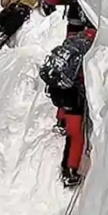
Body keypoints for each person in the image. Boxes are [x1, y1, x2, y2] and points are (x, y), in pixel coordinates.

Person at [40, 27, 96, 188]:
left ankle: (60, 121)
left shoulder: (75, 40)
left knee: (71, 128)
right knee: (76, 134)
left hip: (59, 90)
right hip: (73, 94)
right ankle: (70, 170)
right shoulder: (91, 46)